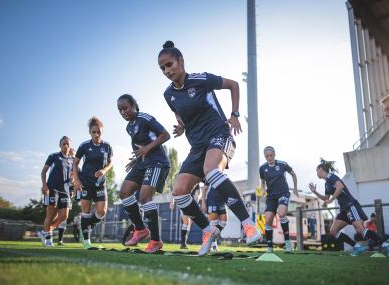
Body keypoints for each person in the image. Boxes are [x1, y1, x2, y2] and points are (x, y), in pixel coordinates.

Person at [158, 40, 261, 256]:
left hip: (218, 134)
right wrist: (181, 126)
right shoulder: (169, 95)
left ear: (181, 61)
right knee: (179, 191)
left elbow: (234, 84)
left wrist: (234, 114)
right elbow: (179, 112)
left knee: (211, 170)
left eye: (169, 64)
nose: (167, 71)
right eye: (163, 68)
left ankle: (248, 224)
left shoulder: (201, 79)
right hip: (197, 146)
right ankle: (208, 230)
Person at [309, 159, 389, 257]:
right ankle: (357, 247)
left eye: (317, 170)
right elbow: (326, 198)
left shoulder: (331, 177)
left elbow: (340, 187)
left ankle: (386, 245)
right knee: (333, 231)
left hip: (350, 205)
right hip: (344, 209)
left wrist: (332, 200)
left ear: (321, 169)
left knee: (360, 230)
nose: (316, 173)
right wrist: (314, 192)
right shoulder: (326, 183)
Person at [117, 94, 171, 253]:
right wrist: (136, 159)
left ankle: (155, 241)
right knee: (124, 193)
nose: (123, 112)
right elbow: (139, 147)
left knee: (145, 197)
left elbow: (165, 135)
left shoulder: (145, 118)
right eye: (120, 110)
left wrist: (147, 149)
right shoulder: (129, 127)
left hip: (157, 162)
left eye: (125, 108)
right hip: (142, 163)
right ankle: (140, 230)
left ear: (134, 105)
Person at [73, 117, 113, 249]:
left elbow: (110, 163)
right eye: (94, 132)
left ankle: (84, 225)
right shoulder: (84, 146)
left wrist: (104, 170)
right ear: (90, 132)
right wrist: (77, 180)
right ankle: (86, 241)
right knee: (86, 210)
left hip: (100, 183)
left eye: (99, 132)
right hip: (86, 182)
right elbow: (75, 162)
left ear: (102, 131)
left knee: (102, 211)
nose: (96, 134)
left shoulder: (107, 146)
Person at [259, 146, 298, 253]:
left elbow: (293, 174)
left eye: (271, 155)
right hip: (271, 196)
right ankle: (270, 247)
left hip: (283, 193)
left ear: (274, 155)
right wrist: (262, 190)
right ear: (265, 157)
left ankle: (287, 243)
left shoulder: (282, 164)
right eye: (267, 156)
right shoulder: (262, 168)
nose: (269, 157)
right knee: (267, 220)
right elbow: (262, 182)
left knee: (281, 214)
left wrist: (295, 188)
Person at [38, 136, 74, 247]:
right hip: (51, 189)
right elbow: (44, 172)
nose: (66, 146)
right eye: (64, 144)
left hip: (65, 191)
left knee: (64, 216)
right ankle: (48, 240)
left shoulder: (72, 160)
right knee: (50, 215)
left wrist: (72, 186)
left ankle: (45, 232)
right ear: (60, 145)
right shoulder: (53, 156)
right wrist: (44, 185)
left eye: (68, 144)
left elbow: (72, 176)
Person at [201, 182, 228, 252]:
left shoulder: (224, 176)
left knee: (223, 222)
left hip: (221, 200)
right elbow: (204, 189)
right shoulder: (210, 174)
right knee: (214, 224)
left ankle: (208, 238)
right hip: (212, 199)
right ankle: (213, 245)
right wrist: (203, 202)